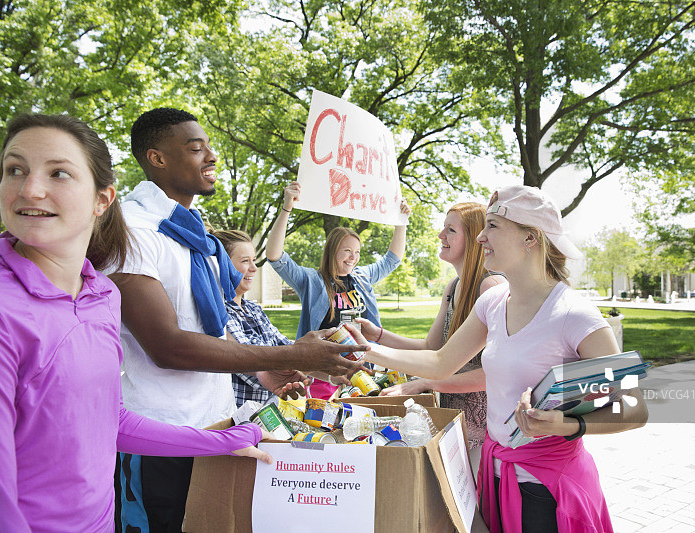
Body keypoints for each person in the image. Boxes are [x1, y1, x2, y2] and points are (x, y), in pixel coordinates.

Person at [0, 114, 274, 533]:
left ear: (102, 200)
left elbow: (111, 420)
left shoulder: (102, 297)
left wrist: (222, 441)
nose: (30, 189)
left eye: (59, 173)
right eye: (15, 170)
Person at [108, 108, 366, 532]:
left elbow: (213, 326)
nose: (212, 156)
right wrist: (290, 349)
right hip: (160, 438)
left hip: (219, 425)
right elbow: (167, 346)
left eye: (209, 146)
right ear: (156, 158)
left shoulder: (197, 237)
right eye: (196, 148)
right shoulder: (134, 230)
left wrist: (269, 369)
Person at [350, 185, 648, 532]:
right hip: (495, 476)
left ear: (530, 238)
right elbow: (440, 362)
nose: (480, 238)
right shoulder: (492, 304)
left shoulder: (575, 315)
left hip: (548, 491)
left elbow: (633, 408)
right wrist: (363, 349)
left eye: (493, 226)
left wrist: (568, 425)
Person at [357, 202, 505, 454]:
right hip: (454, 422)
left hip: (486, 433)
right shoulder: (453, 287)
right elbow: (431, 348)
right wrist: (378, 334)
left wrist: (427, 383)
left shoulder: (491, 288)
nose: (440, 235)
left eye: (451, 230)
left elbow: (496, 374)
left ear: (474, 238)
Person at [266, 180, 410, 399]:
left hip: (363, 371)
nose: (353, 257)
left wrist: (401, 221)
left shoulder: (362, 278)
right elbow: (275, 256)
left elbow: (393, 259)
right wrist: (287, 208)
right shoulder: (312, 280)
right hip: (325, 375)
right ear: (332, 251)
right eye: (347, 251)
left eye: (357, 252)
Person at [212, 228, 294, 406]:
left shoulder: (254, 309)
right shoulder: (219, 310)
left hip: (265, 413)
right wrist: (304, 358)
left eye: (254, 260)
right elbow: (247, 355)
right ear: (221, 264)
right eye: (244, 261)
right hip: (236, 418)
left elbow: (283, 344)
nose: (254, 268)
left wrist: (328, 362)